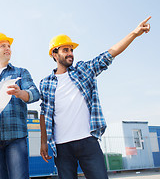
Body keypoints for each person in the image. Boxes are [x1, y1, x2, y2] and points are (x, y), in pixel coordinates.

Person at [39, 17, 151, 179]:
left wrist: (134, 33)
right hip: (61, 147)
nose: (70, 54)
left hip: (87, 141)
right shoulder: (45, 83)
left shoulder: (83, 70)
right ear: (54, 54)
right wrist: (43, 142)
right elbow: (44, 113)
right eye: (65, 50)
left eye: (71, 50)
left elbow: (110, 53)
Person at [0, 32, 40, 179]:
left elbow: (35, 93)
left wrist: (21, 93)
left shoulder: (20, 72)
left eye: (9, 46)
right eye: (3, 46)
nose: (8, 49)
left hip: (15, 136)